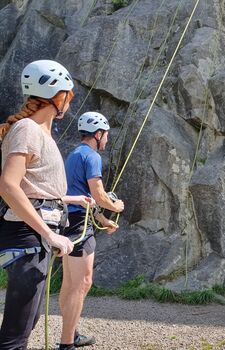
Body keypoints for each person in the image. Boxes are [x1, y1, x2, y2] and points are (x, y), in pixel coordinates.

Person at [0, 60, 93, 349]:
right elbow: (8, 185)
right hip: (27, 236)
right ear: (58, 96)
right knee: (16, 333)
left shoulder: (41, 133)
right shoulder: (28, 129)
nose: (70, 100)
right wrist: (50, 234)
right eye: (69, 94)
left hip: (33, 235)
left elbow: (33, 188)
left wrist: (70, 198)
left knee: (27, 320)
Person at [58, 111, 124, 350]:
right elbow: (98, 195)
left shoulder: (74, 155)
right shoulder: (92, 156)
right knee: (83, 282)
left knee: (70, 282)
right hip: (80, 226)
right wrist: (116, 206)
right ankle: (67, 342)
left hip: (71, 221)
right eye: (105, 135)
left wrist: (104, 220)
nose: (106, 139)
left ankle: (71, 334)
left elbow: (84, 199)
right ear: (98, 134)